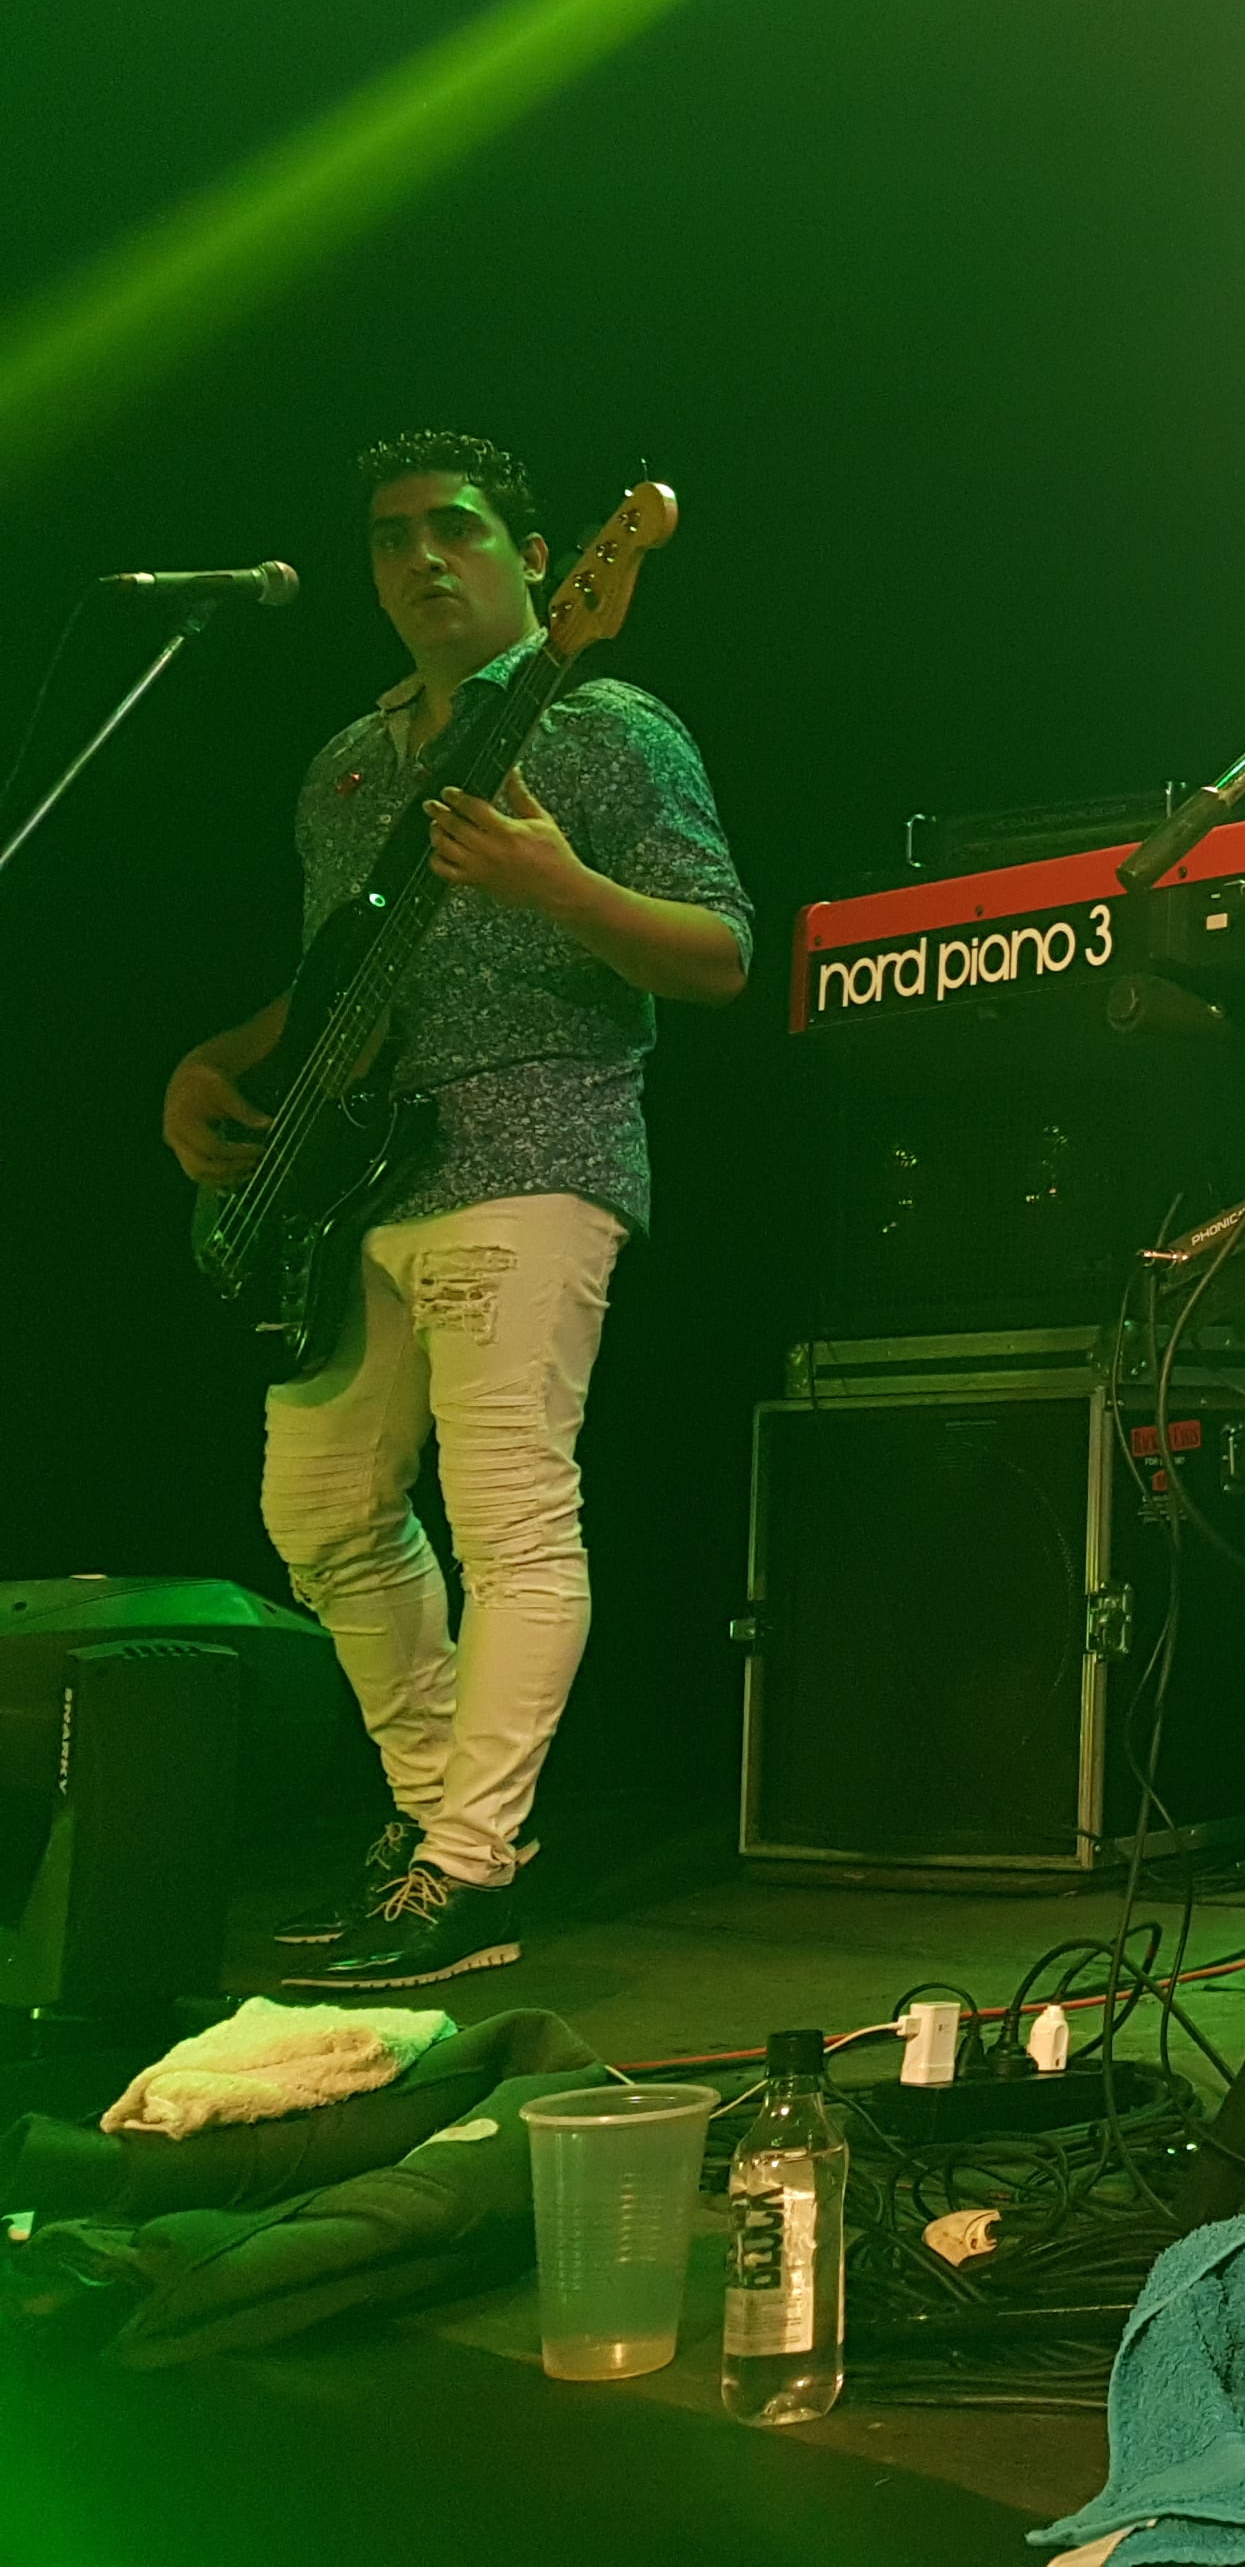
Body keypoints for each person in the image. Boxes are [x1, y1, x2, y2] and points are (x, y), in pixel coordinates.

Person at [162, 433, 750, 1992]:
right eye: (391, 536)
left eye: (457, 530)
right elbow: (325, 990)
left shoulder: (608, 724)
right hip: (359, 1184)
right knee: (321, 1512)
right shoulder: (348, 764)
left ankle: (466, 1871)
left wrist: (562, 886)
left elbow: (722, 956)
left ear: (543, 562)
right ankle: (440, 1839)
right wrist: (211, 1069)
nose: (422, 557)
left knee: (508, 1517)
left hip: (534, 1147)